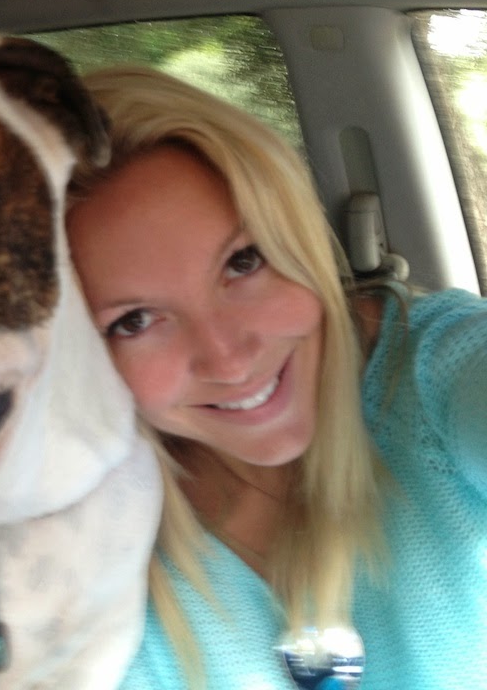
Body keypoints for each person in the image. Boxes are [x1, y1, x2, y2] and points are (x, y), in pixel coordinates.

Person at [64, 66, 487, 689]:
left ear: (298, 240)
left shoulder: (434, 373)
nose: (229, 360)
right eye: (134, 321)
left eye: (244, 261)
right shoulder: (74, 531)